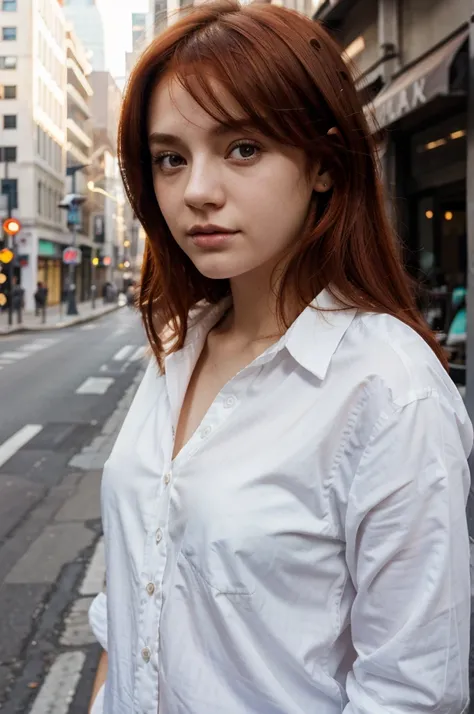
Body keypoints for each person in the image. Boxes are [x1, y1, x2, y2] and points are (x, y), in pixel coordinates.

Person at [88, 3, 473, 713]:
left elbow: (411, 691)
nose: (196, 190)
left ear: (324, 165)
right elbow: (132, 588)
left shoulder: (388, 388)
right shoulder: (180, 344)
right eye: (171, 157)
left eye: (242, 148)